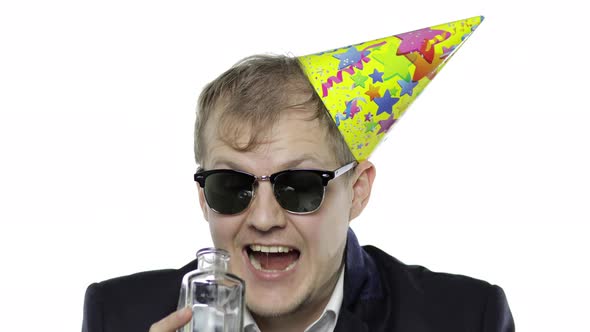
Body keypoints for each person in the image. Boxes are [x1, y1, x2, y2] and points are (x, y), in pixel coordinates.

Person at [82, 17, 515, 332]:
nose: (264, 218)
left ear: (358, 192)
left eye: (300, 186)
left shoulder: (465, 318)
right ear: (203, 197)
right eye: (233, 186)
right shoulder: (119, 316)